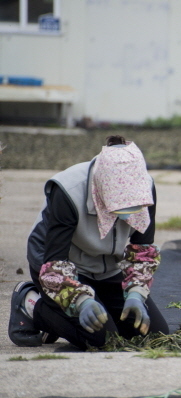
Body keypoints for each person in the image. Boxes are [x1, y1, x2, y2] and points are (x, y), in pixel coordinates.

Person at [9, 135, 169, 349]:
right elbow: (54, 264)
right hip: (56, 265)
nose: (129, 211)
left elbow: (141, 251)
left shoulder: (145, 189)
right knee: (101, 339)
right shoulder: (68, 190)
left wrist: (135, 294)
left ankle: (80, 306)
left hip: (107, 267)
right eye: (122, 204)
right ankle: (31, 304)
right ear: (102, 189)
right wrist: (80, 302)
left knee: (153, 334)